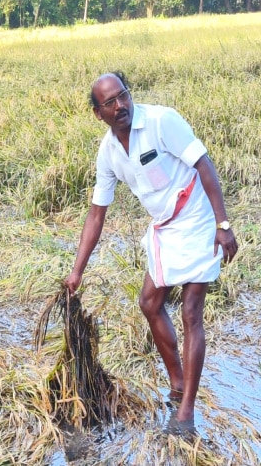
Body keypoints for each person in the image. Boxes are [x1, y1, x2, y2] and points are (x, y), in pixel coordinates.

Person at [64, 71, 238, 428]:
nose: (120, 105)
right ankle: (177, 381)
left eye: (123, 96)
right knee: (149, 303)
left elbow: (204, 165)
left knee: (191, 311)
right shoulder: (109, 152)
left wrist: (222, 224)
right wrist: (77, 270)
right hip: (164, 227)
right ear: (98, 113)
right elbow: (97, 214)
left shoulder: (161, 121)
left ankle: (186, 410)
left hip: (197, 214)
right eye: (109, 102)